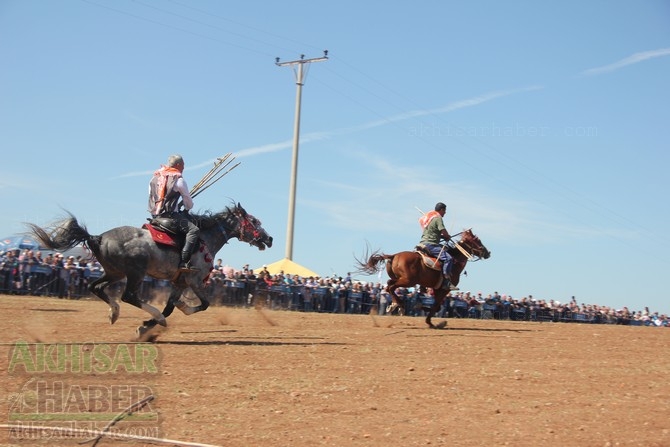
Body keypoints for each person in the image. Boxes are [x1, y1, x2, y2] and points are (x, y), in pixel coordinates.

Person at [148, 154, 200, 271]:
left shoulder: (155, 177)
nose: (184, 167)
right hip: (170, 217)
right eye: (183, 165)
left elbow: (152, 196)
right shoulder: (179, 180)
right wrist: (186, 207)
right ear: (178, 165)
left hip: (155, 215)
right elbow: (188, 202)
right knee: (194, 230)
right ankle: (184, 261)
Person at [417, 202, 455, 290]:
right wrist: (447, 236)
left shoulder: (429, 218)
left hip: (422, 243)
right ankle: (446, 281)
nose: (445, 213)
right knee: (448, 258)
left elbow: (434, 232)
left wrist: (441, 236)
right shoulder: (438, 218)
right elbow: (443, 230)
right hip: (431, 244)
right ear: (441, 210)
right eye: (444, 211)